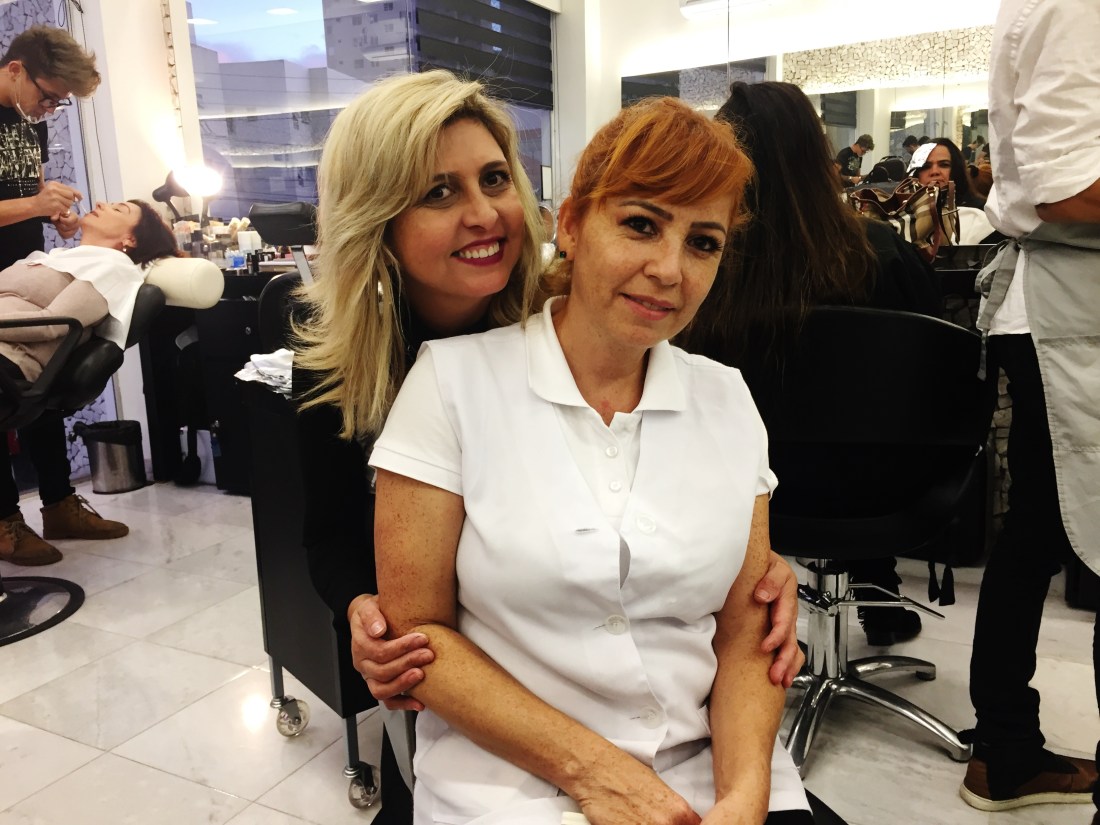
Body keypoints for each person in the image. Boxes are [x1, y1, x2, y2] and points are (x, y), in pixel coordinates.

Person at [292, 71, 805, 825]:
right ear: (380, 219)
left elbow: (728, 594)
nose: (484, 214)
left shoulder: (619, 328)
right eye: (438, 192)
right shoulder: (387, 376)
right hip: (502, 758)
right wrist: (370, 614)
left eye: (495, 179)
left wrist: (745, 564)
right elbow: (337, 543)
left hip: (686, 752)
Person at [682, 81, 942, 646]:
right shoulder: (882, 252)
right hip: (888, 493)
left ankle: (751, 624)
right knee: (866, 435)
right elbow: (937, 368)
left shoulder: (707, 263)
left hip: (748, 500)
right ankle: (880, 597)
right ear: (817, 152)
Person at [960, 0, 1100, 815]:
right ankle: (1004, 745)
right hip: (1069, 310)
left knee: (1037, 529)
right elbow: (1067, 185)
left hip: (1060, 305)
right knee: (1051, 531)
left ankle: (1005, 747)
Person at [0, 26, 130, 566]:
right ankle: (5, 522)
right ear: (15, 70)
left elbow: (29, 195)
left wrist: (61, 217)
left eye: (60, 103)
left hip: (23, 272)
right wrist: (34, 206)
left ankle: (58, 504)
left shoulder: (28, 122)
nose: (50, 109)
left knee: (42, 390)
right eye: (49, 96)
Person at [0, 200, 179, 384]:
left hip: (10, 359)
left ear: (130, 239)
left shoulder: (111, 268)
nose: (100, 204)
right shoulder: (58, 257)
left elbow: (51, 325)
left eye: (118, 210)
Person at [907, 137, 998, 245]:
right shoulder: (903, 217)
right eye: (926, 166)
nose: (935, 171)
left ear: (956, 169)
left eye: (944, 165)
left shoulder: (981, 215)